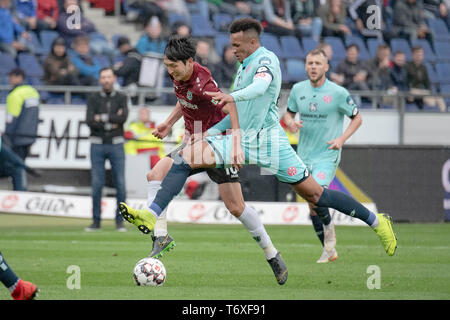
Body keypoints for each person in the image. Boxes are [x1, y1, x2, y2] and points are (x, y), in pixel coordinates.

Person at [119, 18, 397, 271]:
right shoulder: (242, 67)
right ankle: (154, 216)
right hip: (239, 138)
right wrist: (209, 133)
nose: (233, 50)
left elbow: (261, 88)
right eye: (231, 45)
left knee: (316, 195)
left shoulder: (267, 60)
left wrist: (232, 98)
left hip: (269, 141)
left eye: (237, 45)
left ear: (253, 42)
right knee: (183, 158)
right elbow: (237, 113)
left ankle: (377, 222)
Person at [119, 36, 288, 285]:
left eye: (173, 66)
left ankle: (272, 254)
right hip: (193, 143)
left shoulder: (203, 82)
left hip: (216, 144)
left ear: (189, 62)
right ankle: (161, 236)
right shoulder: (179, 75)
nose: (170, 71)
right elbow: (184, 98)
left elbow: (230, 108)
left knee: (236, 207)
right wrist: (169, 122)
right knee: (154, 175)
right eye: (167, 66)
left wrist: (235, 145)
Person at [281, 48, 363, 263]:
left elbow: (357, 118)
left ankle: (329, 243)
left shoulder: (337, 92)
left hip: (327, 154)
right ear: (306, 66)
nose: (313, 67)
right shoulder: (298, 90)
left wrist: (341, 139)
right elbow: (288, 115)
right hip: (303, 155)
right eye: (310, 63)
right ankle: (329, 246)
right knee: (312, 202)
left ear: (326, 67)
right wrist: (291, 124)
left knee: (317, 196)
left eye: (318, 63)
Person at [85, 67, 129, 232]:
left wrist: (101, 117)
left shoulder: (122, 97)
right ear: (100, 80)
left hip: (116, 144)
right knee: (97, 184)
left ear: (114, 78)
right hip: (97, 143)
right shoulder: (93, 98)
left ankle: (120, 221)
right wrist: (112, 120)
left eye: (109, 77)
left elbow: (123, 118)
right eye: (103, 77)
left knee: (120, 184)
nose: (106, 80)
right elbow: (89, 120)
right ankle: (96, 221)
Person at [3, 68, 39, 192]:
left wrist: (7, 138)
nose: (10, 80)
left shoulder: (15, 94)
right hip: (29, 136)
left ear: (19, 78)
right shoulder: (33, 92)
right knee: (21, 164)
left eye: (12, 77)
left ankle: (20, 192)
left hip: (16, 136)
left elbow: (11, 118)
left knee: (17, 166)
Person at [405, 45, 446, 112]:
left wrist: (430, 92)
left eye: (421, 54)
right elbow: (405, 82)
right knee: (431, 102)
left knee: (439, 98)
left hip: (421, 91)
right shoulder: (407, 66)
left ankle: (444, 116)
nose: (419, 56)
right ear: (413, 55)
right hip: (412, 91)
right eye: (417, 54)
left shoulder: (423, 68)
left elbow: (427, 83)